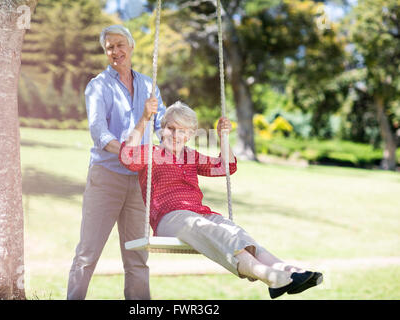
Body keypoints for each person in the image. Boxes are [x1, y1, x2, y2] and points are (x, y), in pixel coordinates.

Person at [118, 101, 322, 299]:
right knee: (209, 229)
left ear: (189, 135)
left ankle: (289, 271)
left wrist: (223, 137)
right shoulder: (152, 154)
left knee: (234, 231)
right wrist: (145, 118)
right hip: (170, 218)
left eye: (183, 131)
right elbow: (127, 157)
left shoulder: (191, 156)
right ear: (162, 129)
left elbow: (226, 167)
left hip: (202, 214)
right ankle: (270, 276)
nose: (176, 135)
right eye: (171, 128)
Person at [67, 25, 165, 300]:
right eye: (109, 47)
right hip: (106, 178)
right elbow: (99, 133)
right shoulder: (98, 86)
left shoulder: (148, 84)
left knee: (137, 259)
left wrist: (192, 129)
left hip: (139, 182)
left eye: (120, 45)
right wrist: (126, 152)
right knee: (87, 254)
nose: (115, 51)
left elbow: (164, 125)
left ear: (131, 46)